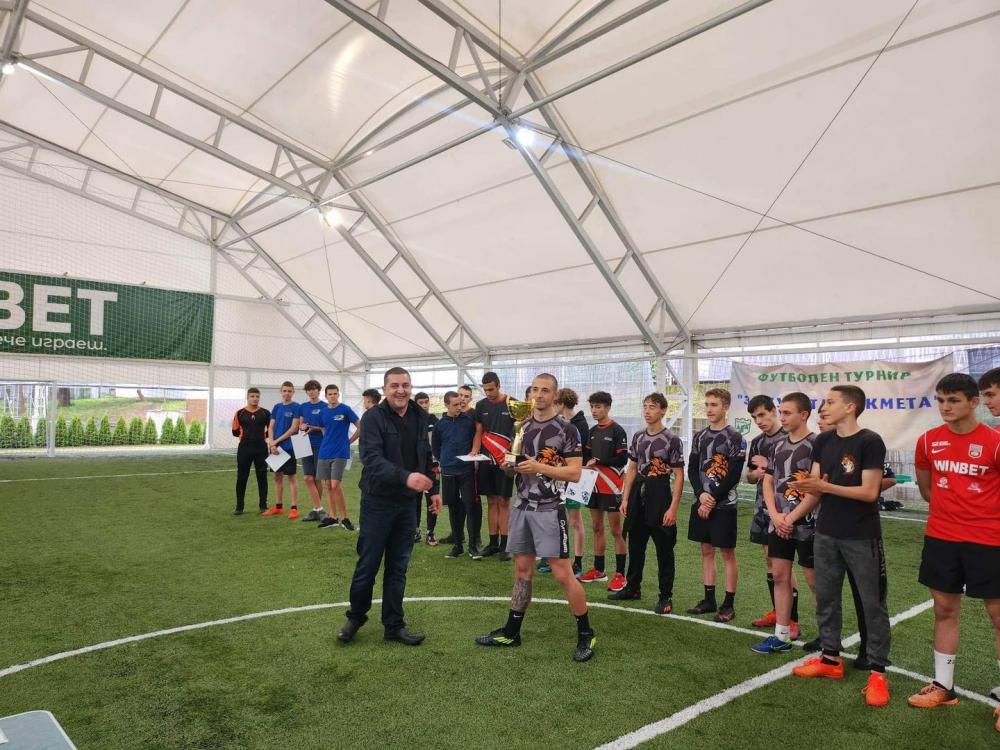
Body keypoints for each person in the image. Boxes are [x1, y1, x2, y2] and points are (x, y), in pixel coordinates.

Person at [474, 373, 596, 661]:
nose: (539, 395)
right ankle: (511, 632)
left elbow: (575, 473)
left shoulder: (567, 429)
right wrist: (509, 466)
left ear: (555, 396)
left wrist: (539, 467)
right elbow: (514, 468)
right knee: (522, 572)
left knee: (562, 574)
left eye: (545, 390)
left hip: (550, 509)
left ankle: (586, 634)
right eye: (535, 390)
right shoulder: (522, 425)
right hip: (522, 507)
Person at [907, 373, 1000, 733]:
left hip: (989, 541)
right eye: (941, 400)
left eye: (954, 400)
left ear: (974, 403)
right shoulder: (928, 441)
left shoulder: (994, 443)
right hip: (942, 538)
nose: (945, 407)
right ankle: (943, 687)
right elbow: (927, 490)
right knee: (944, 610)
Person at [791, 385, 891, 708]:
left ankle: (878, 672)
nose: (824, 407)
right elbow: (816, 484)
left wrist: (823, 486)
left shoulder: (870, 441)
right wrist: (804, 489)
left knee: (873, 604)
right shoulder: (823, 441)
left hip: (862, 535)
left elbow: (869, 492)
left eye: (830, 402)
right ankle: (830, 658)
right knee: (827, 597)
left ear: (850, 407)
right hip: (826, 533)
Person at [338, 367, 441, 646]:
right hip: (377, 502)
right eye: (394, 385)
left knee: (398, 567)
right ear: (385, 389)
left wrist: (433, 489)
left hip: (407, 505)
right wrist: (405, 477)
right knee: (368, 565)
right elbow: (371, 459)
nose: (401, 390)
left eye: (405, 385)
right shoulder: (372, 418)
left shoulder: (420, 417)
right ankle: (356, 617)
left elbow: (426, 455)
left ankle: (394, 625)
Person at [751, 393, 819, 654]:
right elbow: (768, 481)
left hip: (808, 526)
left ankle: (827, 638)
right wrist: (776, 515)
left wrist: (790, 517)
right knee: (780, 576)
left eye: (787, 413)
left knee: (815, 582)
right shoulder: (777, 446)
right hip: (778, 524)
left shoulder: (817, 444)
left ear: (804, 415)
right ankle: (781, 635)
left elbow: (816, 489)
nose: (782, 417)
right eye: (781, 412)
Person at [611, 392, 685, 614]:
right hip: (637, 495)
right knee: (635, 545)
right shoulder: (638, 437)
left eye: (652, 407)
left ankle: (665, 596)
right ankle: (633, 588)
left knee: (664, 549)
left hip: (660, 494)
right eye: (645, 406)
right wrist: (625, 498)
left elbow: (679, 475)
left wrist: (673, 508)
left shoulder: (672, 439)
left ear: (663, 411)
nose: (647, 411)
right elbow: (632, 468)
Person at [686, 388, 746, 623]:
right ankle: (709, 599)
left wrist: (712, 500)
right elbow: (692, 468)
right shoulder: (700, 436)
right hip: (701, 502)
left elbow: (733, 475)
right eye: (707, 404)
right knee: (706, 550)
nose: (709, 409)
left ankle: (728, 604)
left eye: (714, 405)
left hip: (724, 505)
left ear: (725, 407)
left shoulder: (735, 438)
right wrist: (700, 494)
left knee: (727, 553)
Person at [745, 395, 797, 631]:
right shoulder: (757, 442)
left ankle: (792, 619)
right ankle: (777, 612)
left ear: (773, 411)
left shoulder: (789, 438)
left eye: (762, 415)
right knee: (769, 559)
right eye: (754, 417)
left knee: (784, 564)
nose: (759, 421)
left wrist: (768, 468)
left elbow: (795, 474)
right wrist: (757, 473)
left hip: (786, 508)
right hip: (762, 507)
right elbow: (750, 476)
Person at [578, 391, 629, 592]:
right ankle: (599, 570)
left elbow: (622, 459)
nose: (594, 410)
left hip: (612, 486)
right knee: (597, 527)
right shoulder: (592, 431)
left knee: (616, 530)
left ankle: (620, 574)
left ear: (608, 408)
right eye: (592, 407)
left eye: (598, 407)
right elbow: (587, 456)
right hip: (594, 486)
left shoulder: (617, 430)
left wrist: (599, 462)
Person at [470, 372, 515, 561]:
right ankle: (493, 543)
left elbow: (520, 434)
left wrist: (513, 458)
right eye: (485, 389)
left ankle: (505, 546)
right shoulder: (481, 406)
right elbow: (479, 432)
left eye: (491, 389)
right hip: (486, 461)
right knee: (491, 501)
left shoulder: (513, 403)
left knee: (504, 502)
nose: (488, 393)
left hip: (505, 462)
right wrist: (474, 453)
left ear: (498, 385)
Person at [432, 391, 481, 559]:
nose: (459, 407)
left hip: (467, 470)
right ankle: (457, 545)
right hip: (448, 471)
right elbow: (436, 447)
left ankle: (473, 547)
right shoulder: (440, 425)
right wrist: (444, 461)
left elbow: (476, 438)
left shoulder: (468, 422)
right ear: (446, 405)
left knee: (470, 506)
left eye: (461, 404)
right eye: (455, 405)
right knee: (453, 508)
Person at [316, 384, 361, 531]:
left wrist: (349, 441)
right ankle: (333, 517)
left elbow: (360, 426)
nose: (333, 396)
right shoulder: (323, 411)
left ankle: (345, 518)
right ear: (326, 396)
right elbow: (323, 428)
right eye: (330, 394)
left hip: (340, 453)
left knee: (335, 485)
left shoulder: (345, 409)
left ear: (338, 395)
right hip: (324, 452)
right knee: (328, 485)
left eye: (335, 394)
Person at [555, 387, 588, 576]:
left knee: (575, 520)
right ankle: (558, 557)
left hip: (576, 478)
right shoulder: (563, 423)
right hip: (561, 476)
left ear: (561, 403)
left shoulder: (579, 425)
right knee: (559, 517)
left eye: (555, 403)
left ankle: (578, 562)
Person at [263, 381, 300, 518]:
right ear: (281, 391)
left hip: (289, 447)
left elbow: (293, 428)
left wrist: (276, 442)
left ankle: (294, 508)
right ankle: (278, 506)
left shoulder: (297, 407)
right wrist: (271, 444)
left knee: (291, 477)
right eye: (284, 391)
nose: (287, 393)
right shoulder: (277, 407)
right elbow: (271, 427)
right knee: (277, 476)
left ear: (293, 392)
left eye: (289, 391)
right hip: (275, 447)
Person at [231, 387, 270, 515]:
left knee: (262, 477)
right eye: (252, 396)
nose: (255, 399)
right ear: (247, 397)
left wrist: (262, 436)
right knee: (242, 477)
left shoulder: (265, 413)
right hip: (245, 448)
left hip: (261, 448)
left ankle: (263, 506)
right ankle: (239, 507)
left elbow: (271, 430)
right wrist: (246, 435)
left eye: (257, 396)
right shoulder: (240, 413)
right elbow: (235, 431)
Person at [297, 379, 329, 522]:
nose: (311, 392)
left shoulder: (325, 406)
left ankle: (316, 509)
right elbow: (300, 424)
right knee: (307, 478)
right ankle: (318, 509)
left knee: (317, 478)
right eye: (308, 389)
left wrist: (314, 428)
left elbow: (327, 427)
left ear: (318, 390)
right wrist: (302, 427)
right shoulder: (303, 407)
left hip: (320, 444)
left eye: (314, 389)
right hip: (304, 443)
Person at [414, 392, 440, 544]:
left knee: (432, 499)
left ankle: (431, 533)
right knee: (414, 500)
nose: (424, 405)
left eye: (426, 402)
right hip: (416, 467)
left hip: (433, 466)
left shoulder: (434, 421)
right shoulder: (411, 421)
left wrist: (440, 461)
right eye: (421, 402)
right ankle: (415, 530)